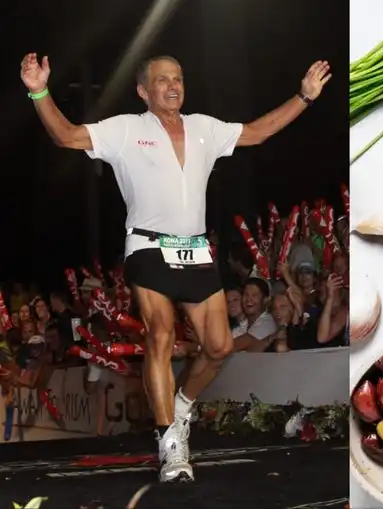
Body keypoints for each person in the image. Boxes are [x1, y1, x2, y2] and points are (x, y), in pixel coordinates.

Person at [20, 51, 331, 483]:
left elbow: (258, 132)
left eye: (179, 79)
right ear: (144, 91)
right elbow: (67, 136)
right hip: (147, 247)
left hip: (196, 251)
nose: (173, 86)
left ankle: (182, 403)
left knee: (219, 346)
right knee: (160, 334)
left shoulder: (205, 128)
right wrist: (39, 90)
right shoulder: (126, 129)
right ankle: (170, 443)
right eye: (163, 80)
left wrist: (305, 96)